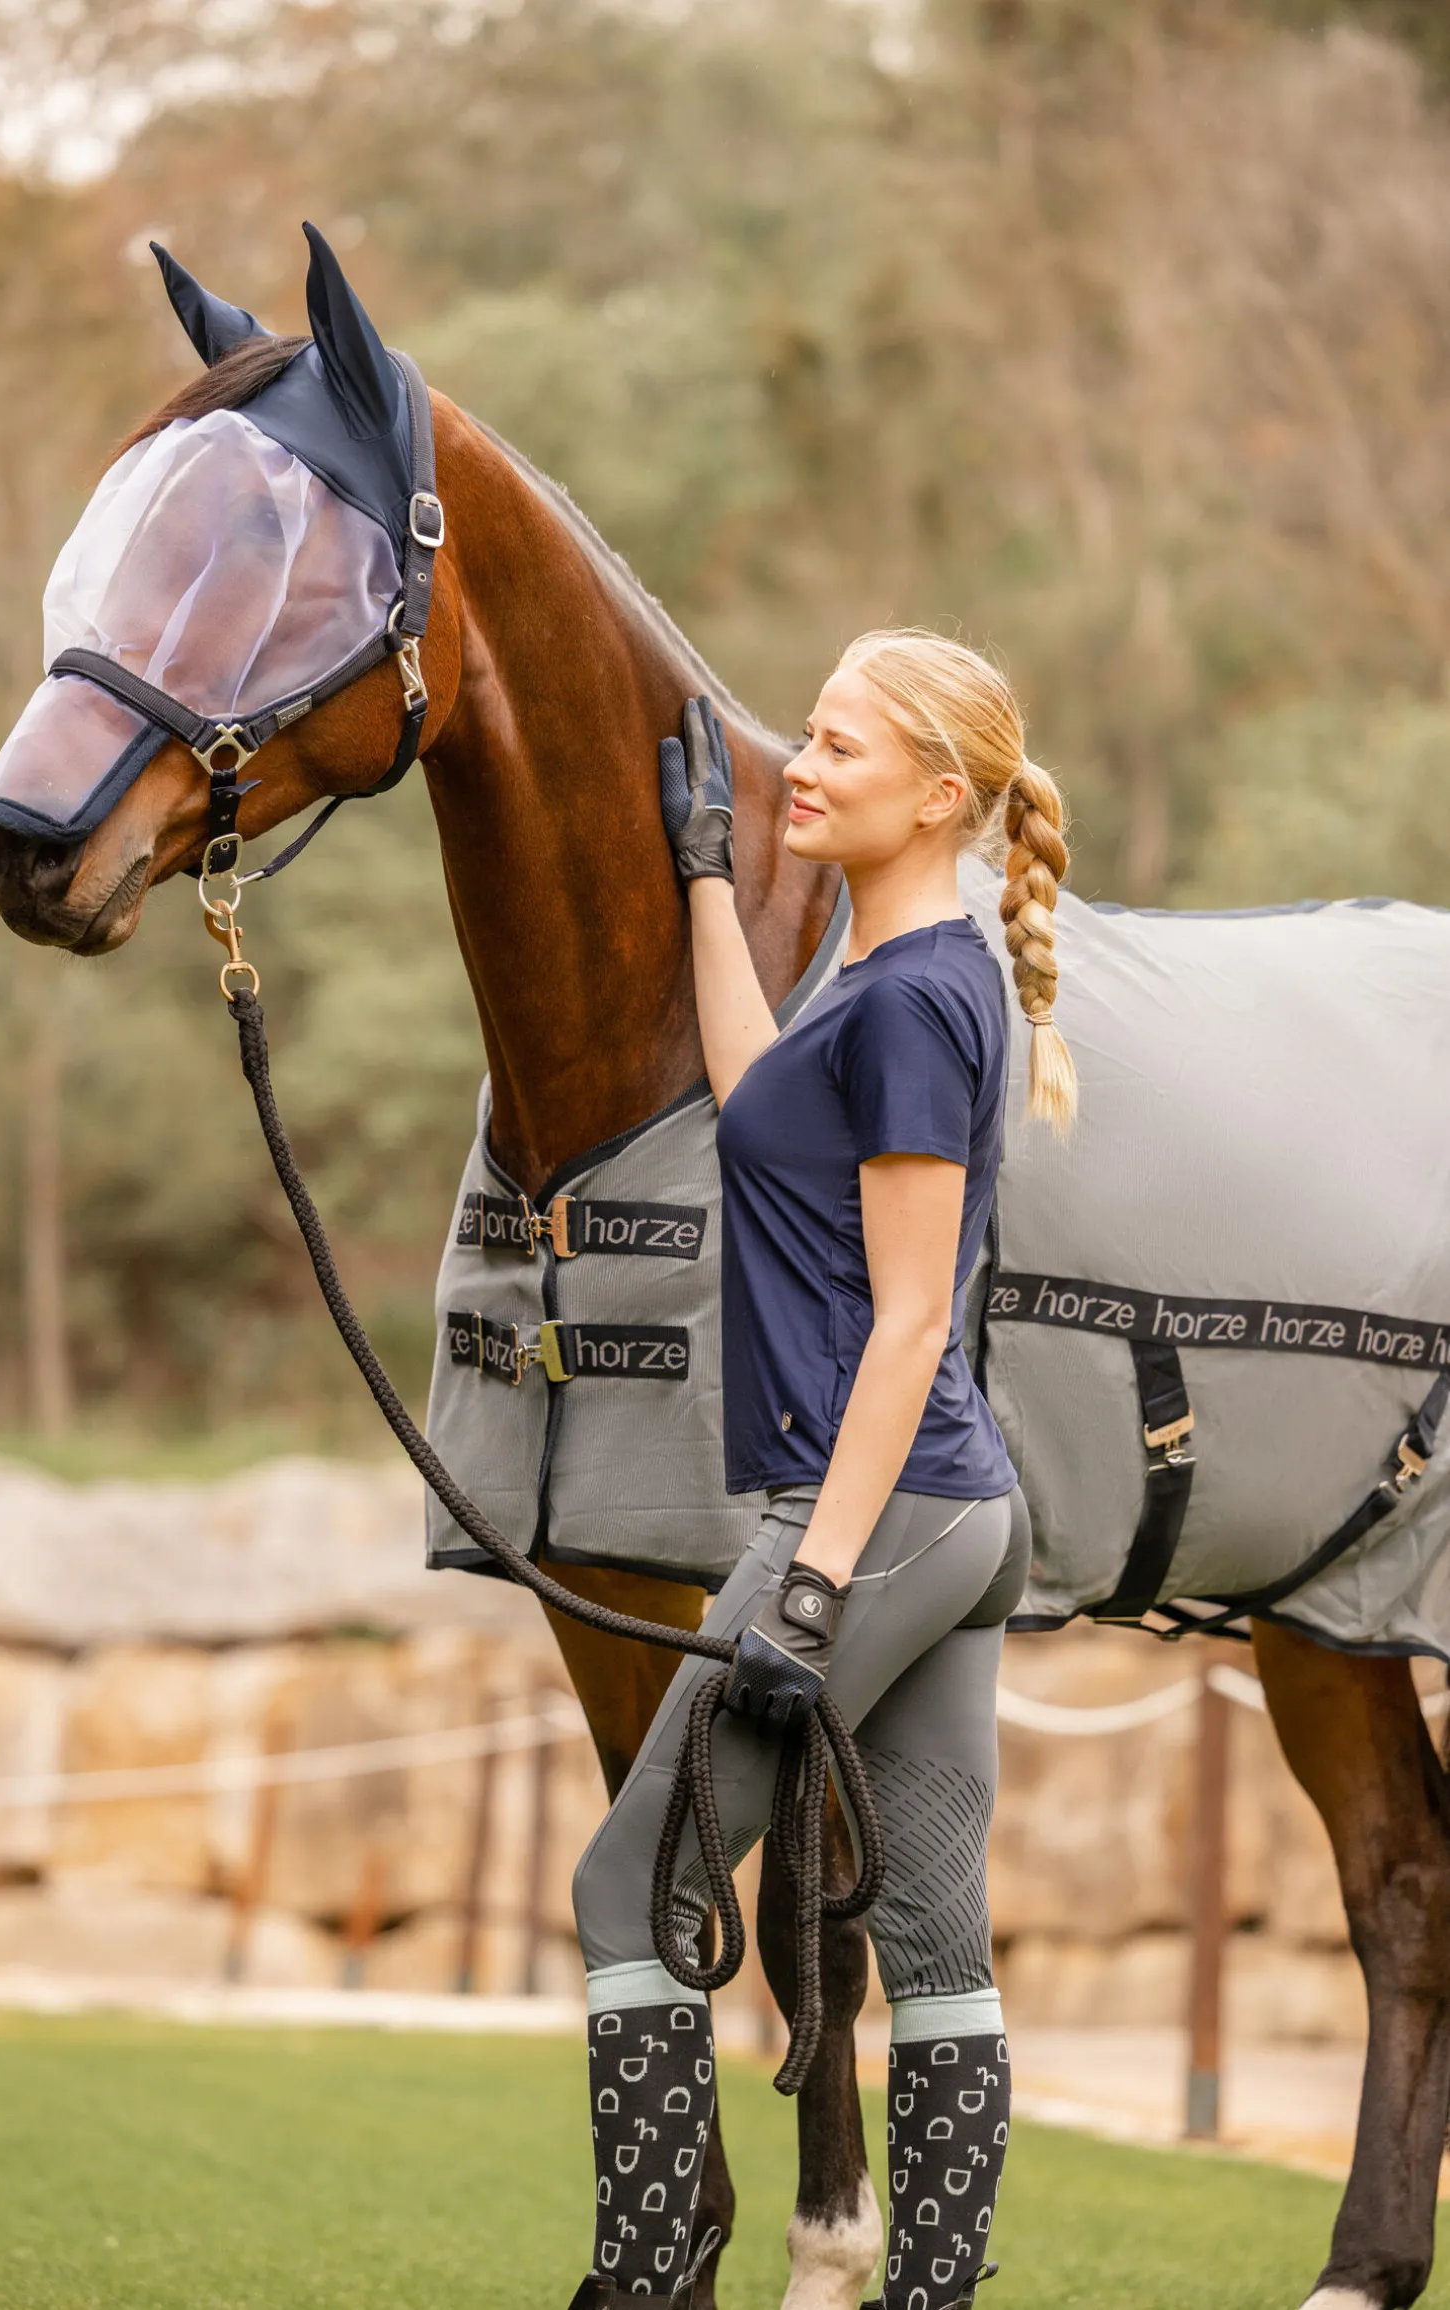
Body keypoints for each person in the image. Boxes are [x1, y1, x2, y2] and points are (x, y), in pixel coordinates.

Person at [564, 630, 1077, 2310]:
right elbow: (753, 1093)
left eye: (840, 747)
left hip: (886, 1513)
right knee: (932, 1942)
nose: (803, 758)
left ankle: (643, 2290)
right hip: (943, 1515)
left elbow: (916, 1315)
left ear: (939, 796)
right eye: (811, 731)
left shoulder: (925, 998)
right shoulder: (880, 975)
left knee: (629, 1888)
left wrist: (810, 1574)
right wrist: (709, 877)